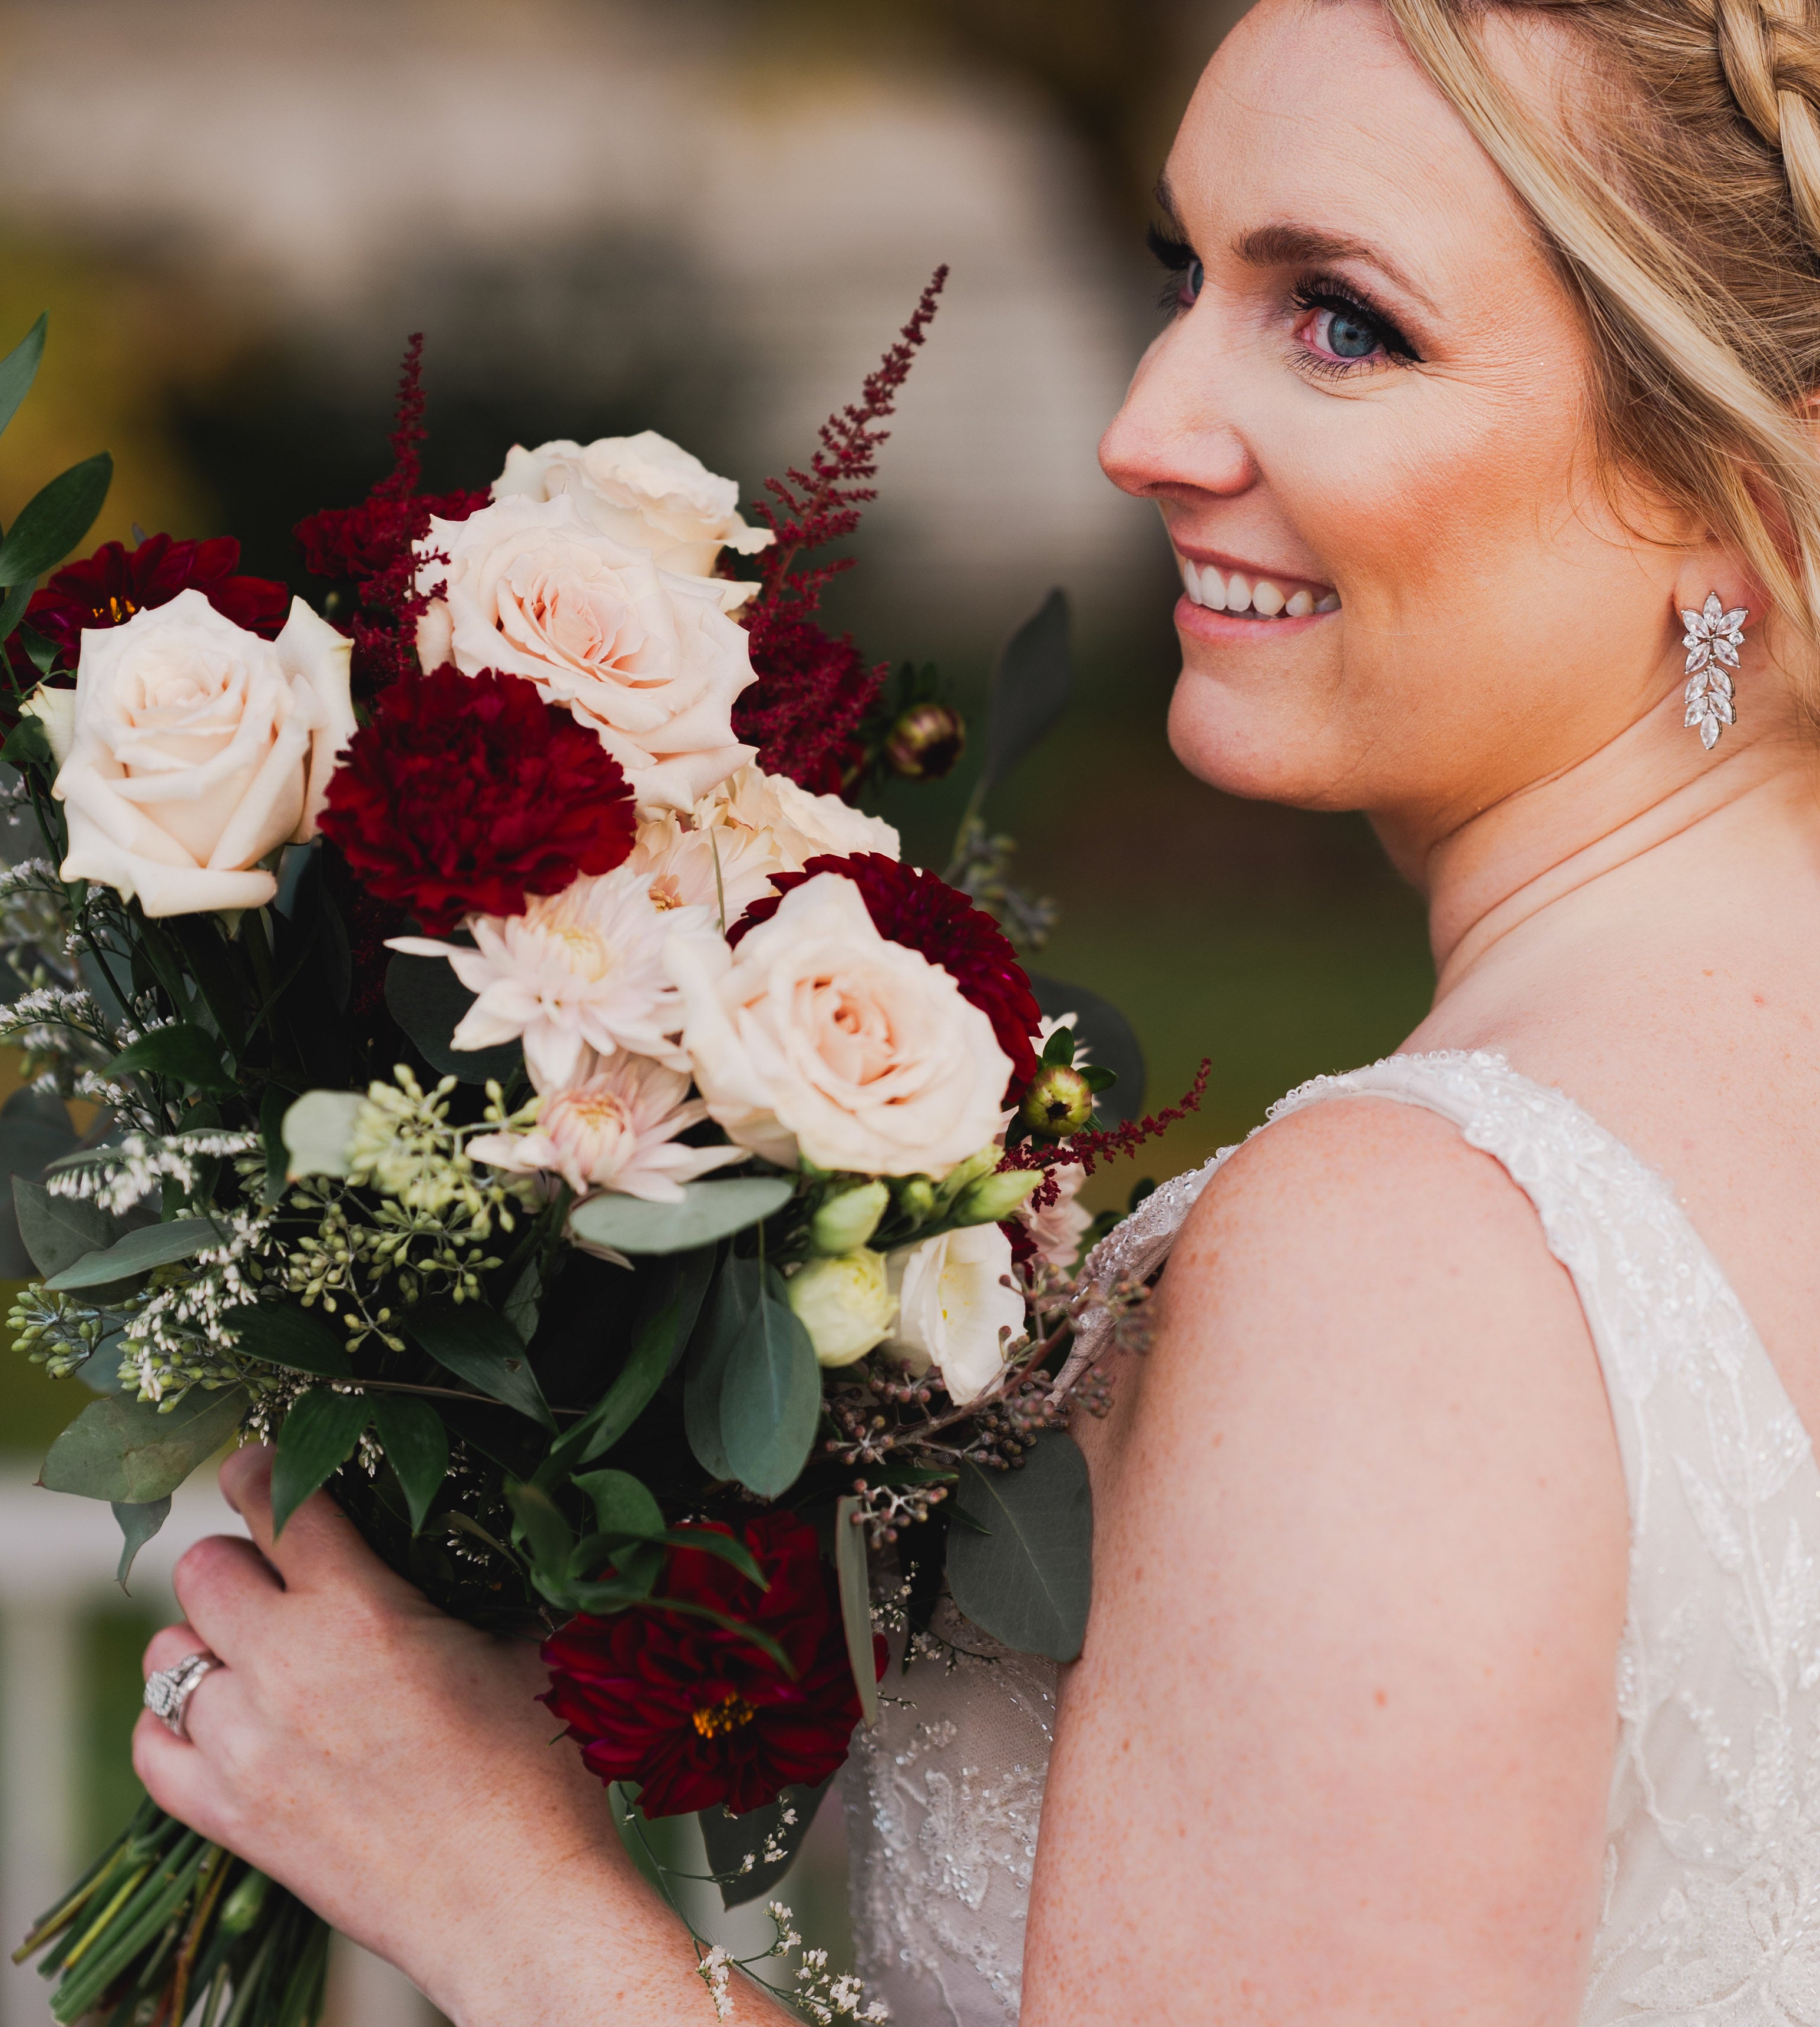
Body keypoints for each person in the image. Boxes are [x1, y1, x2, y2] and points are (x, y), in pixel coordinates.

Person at [131, 1, 1820, 2018]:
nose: (1148, 426)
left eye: (1346, 322)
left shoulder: (1407, 1263)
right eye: (1183, 272)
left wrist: (493, 1885)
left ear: (1723, 499)